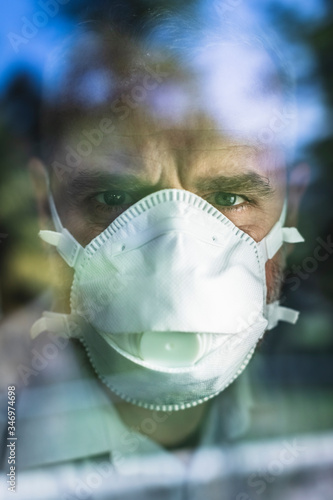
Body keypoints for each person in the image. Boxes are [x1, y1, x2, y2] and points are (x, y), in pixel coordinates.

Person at [0, 12, 310, 500]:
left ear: (294, 206)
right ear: (46, 209)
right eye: (114, 198)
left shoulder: (312, 418)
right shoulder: (10, 432)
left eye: (230, 199)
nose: (176, 252)